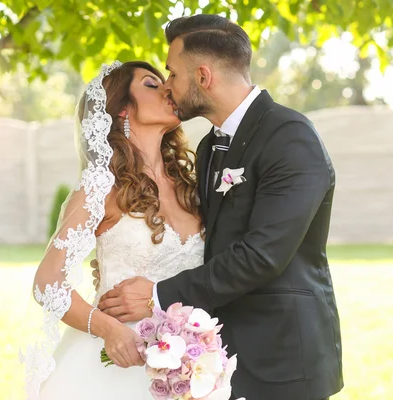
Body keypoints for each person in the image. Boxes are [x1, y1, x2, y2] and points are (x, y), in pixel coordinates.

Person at [98, 15, 344, 400]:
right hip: (216, 359)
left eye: (172, 74)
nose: (168, 87)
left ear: (203, 75)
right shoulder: (210, 148)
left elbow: (262, 256)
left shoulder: (289, 138)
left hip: (283, 359)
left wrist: (156, 295)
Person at [21, 61, 206, 400]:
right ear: (121, 108)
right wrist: (109, 330)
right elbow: (48, 283)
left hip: (191, 364)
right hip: (116, 364)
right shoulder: (100, 189)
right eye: (152, 84)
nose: (168, 88)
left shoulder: (191, 186)